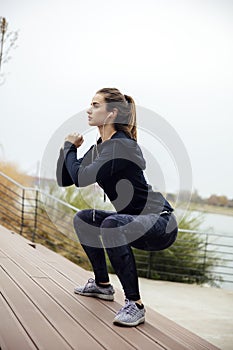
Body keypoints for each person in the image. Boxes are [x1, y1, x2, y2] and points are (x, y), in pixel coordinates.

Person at [56, 87, 178, 327]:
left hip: (161, 222)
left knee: (112, 224)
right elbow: (66, 179)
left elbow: (80, 178)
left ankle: (135, 305)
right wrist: (68, 149)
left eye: (95, 105)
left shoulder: (121, 146)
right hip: (132, 221)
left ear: (111, 113)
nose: (89, 110)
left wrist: (70, 148)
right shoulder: (101, 148)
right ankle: (102, 285)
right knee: (84, 218)